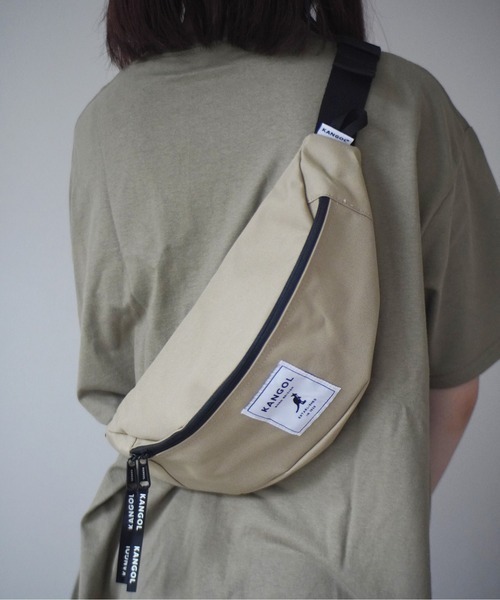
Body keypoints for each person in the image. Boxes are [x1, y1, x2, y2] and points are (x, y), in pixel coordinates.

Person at [69, 1, 500, 597]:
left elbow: (113, 377)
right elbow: (456, 388)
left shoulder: (105, 123)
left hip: (160, 560)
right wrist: (382, 509)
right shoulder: (406, 101)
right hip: (341, 570)